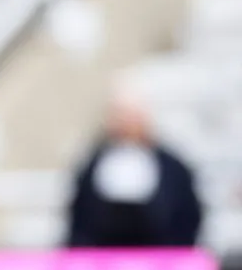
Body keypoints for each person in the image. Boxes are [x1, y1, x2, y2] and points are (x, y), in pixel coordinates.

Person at [67, 85, 202, 248]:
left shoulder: (172, 168)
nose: (127, 124)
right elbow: (81, 217)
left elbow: (185, 215)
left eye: (132, 117)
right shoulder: (92, 165)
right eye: (121, 116)